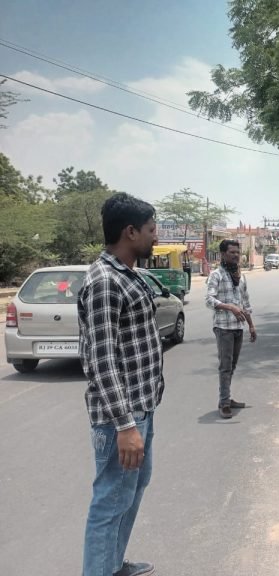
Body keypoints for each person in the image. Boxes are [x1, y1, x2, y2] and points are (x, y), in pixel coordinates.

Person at [78, 193, 161, 576]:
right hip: (121, 419)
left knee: (130, 493)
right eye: (150, 229)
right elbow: (101, 360)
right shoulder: (104, 281)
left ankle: (112, 565)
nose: (155, 236)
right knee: (110, 503)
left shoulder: (128, 275)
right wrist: (125, 426)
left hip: (140, 409)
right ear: (130, 232)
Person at [206, 239, 257, 419]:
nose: (235, 255)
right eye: (232, 252)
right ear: (223, 254)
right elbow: (209, 300)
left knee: (232, 365)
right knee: (225, 367)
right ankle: (225, 403)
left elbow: (245, 303)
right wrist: (230, 307)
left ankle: (225, 399)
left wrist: (251, 325)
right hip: (223, 328)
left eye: (237, 252)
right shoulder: (216, 275)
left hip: (238, 327)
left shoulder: (241, 276)